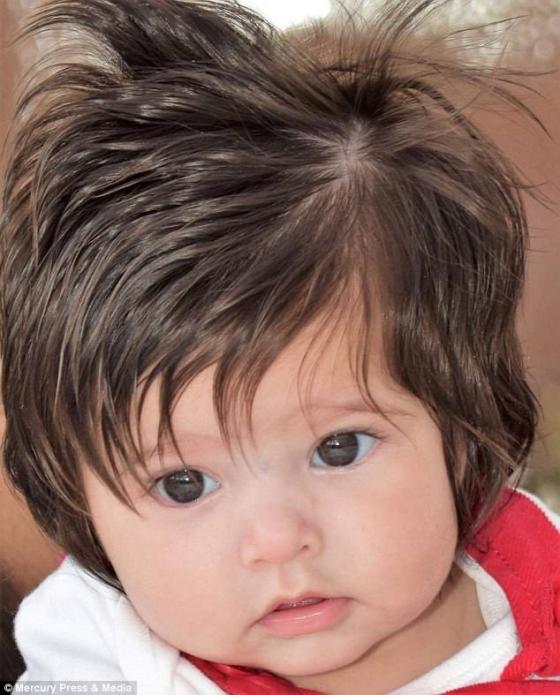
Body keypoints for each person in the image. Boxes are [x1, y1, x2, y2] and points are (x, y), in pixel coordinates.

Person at [1, 0, 559, 693]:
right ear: (81, 509)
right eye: (183, 484)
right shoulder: (101, 648)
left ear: (463, 428)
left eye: (339, 448)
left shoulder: (543, 590)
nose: (276, 539)